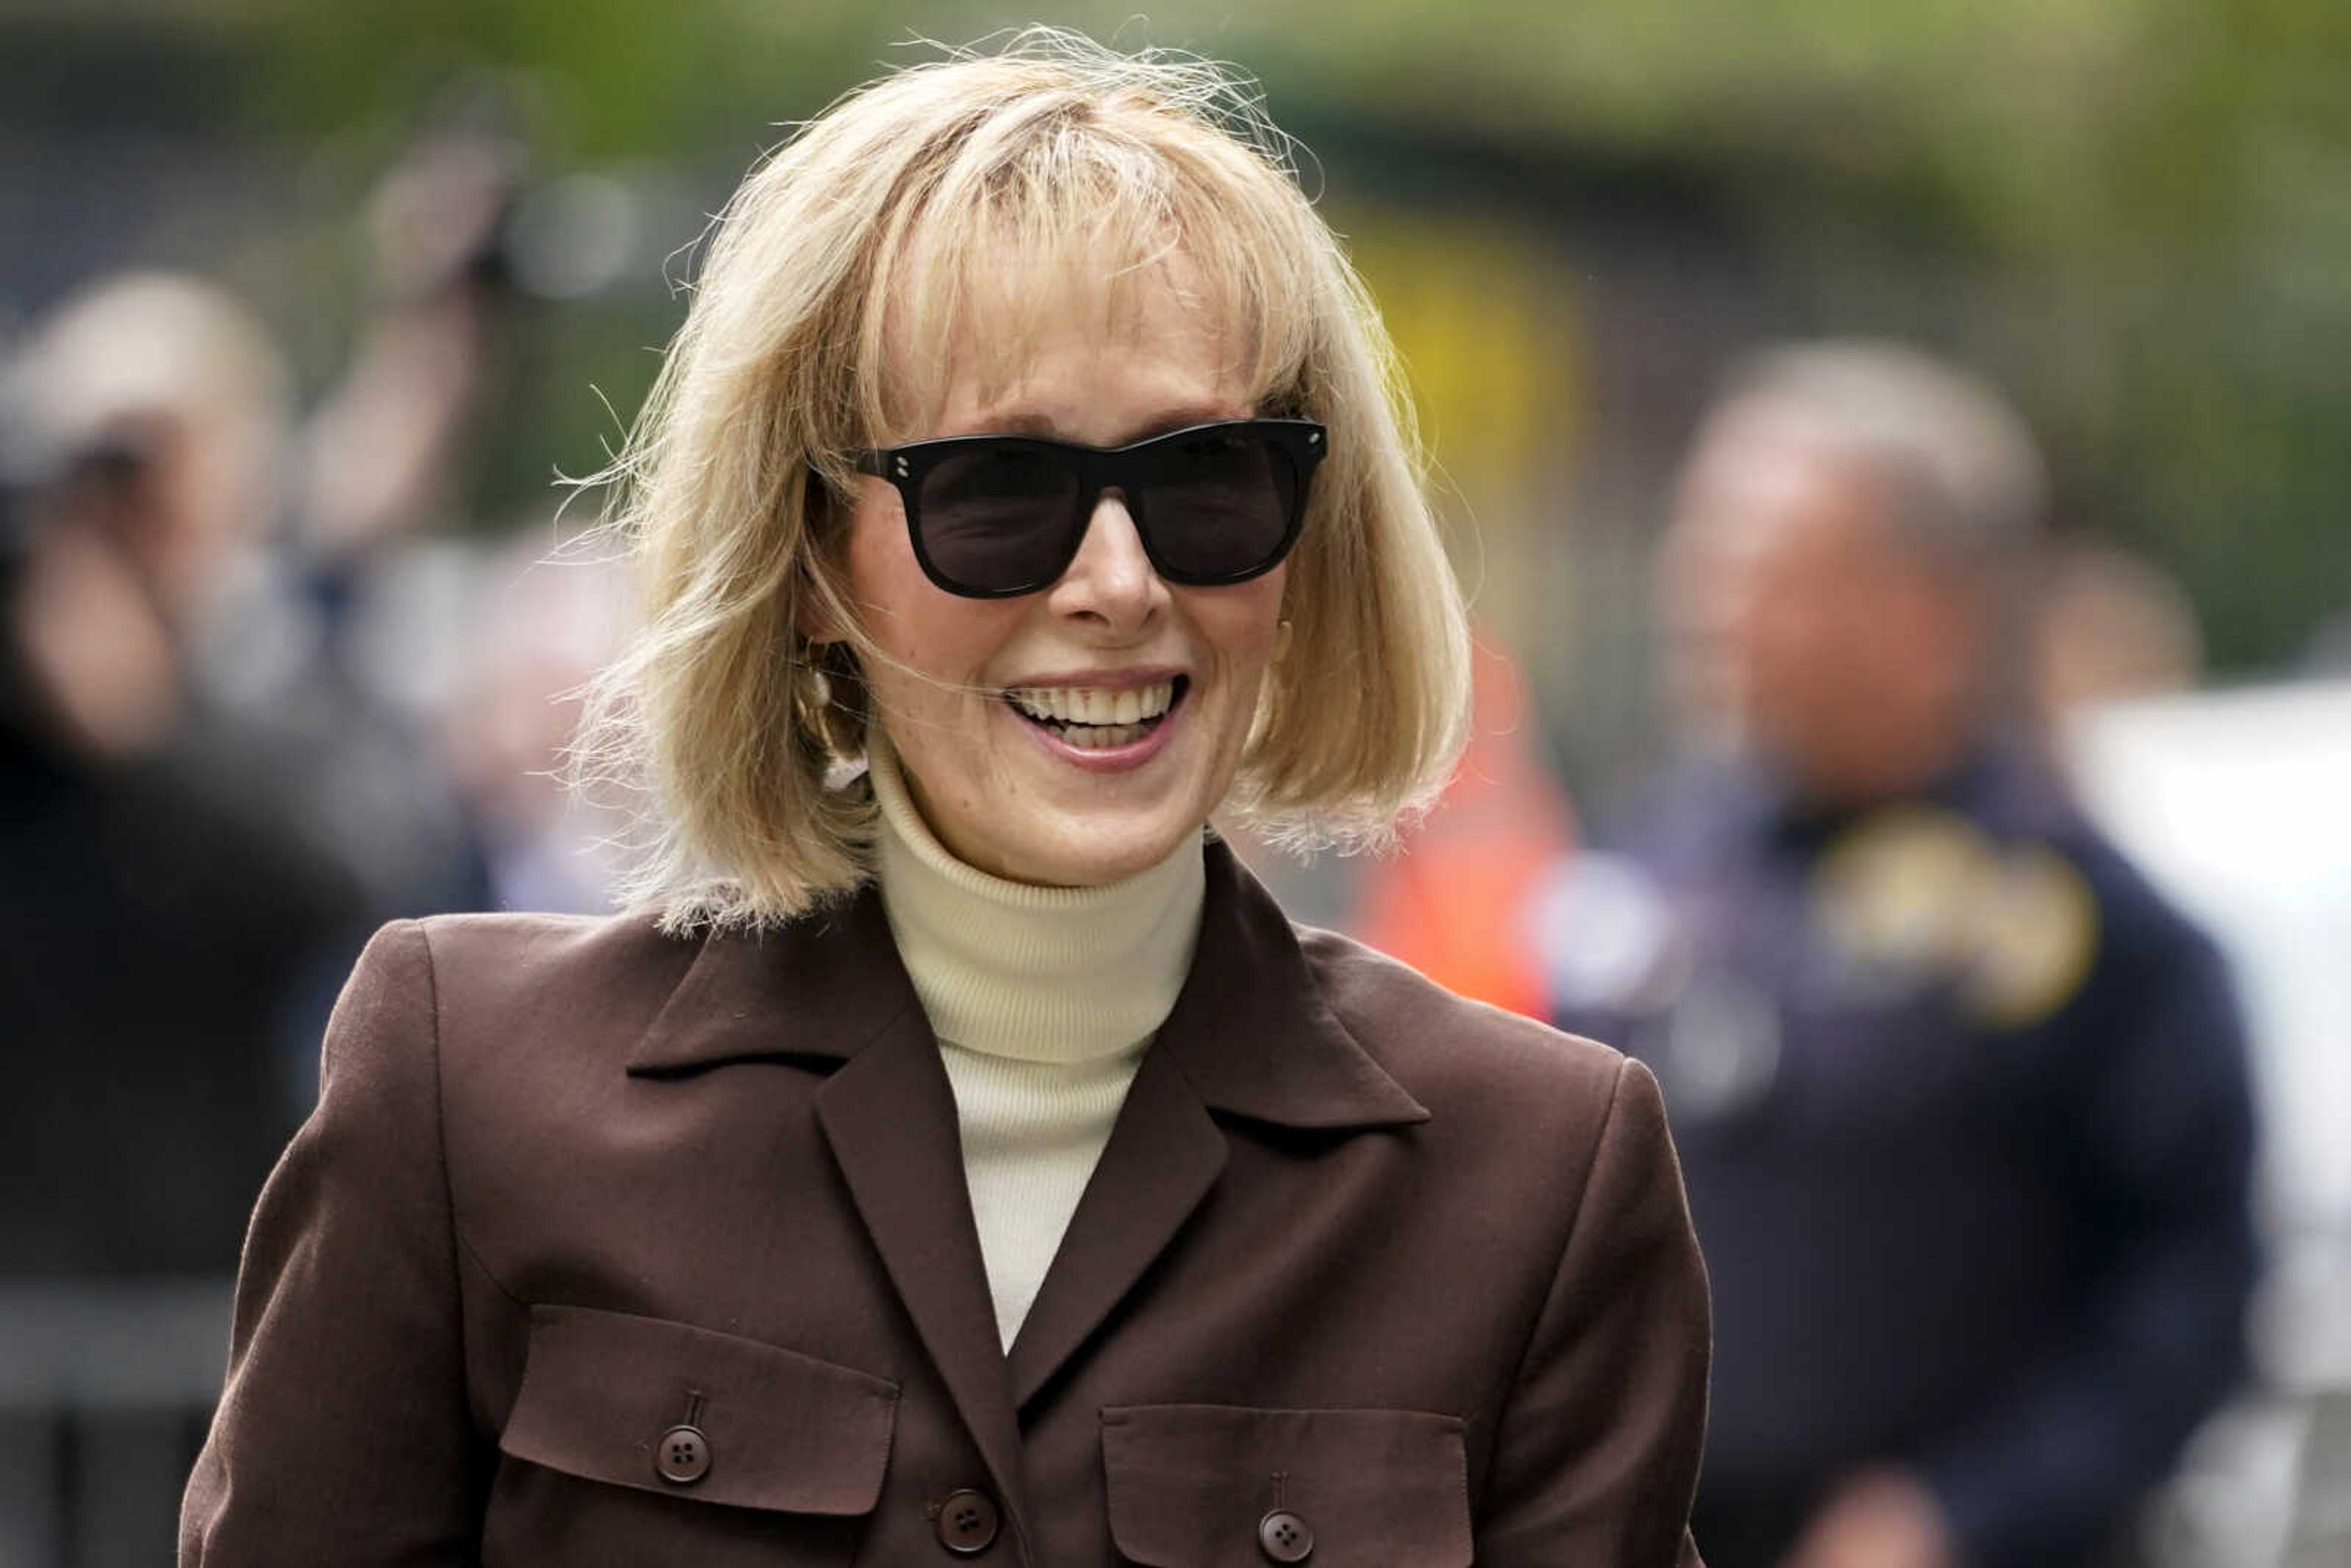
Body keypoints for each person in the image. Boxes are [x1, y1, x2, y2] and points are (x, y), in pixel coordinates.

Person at [181, 35, 1711, 1567]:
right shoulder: (472, 1088)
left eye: (1208, 481)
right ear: (810, 567)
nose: (1120, 585)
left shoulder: (1541, 1175)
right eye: (997, 492)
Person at [1548, 342, 2257, 1568]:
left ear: (1929, 614)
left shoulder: (2085, 926)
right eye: (1702, 559)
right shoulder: (1649, 864)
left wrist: (1965, 1514)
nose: (1707, 605)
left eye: (1764, 572)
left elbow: (2192, 1295)